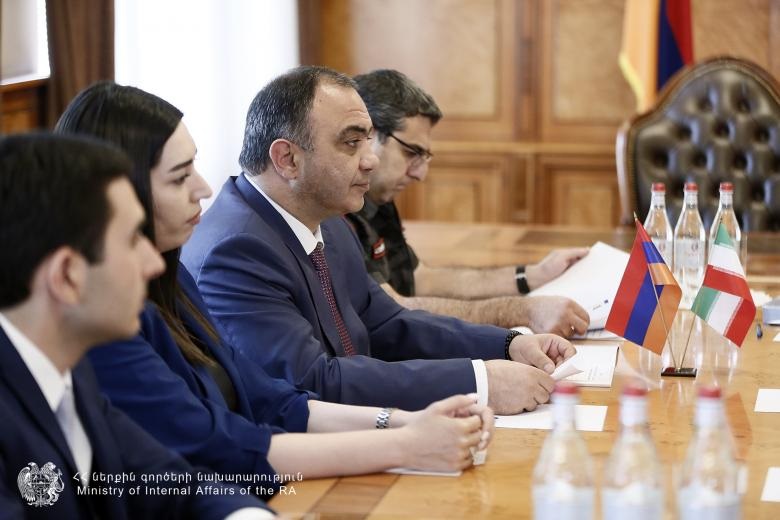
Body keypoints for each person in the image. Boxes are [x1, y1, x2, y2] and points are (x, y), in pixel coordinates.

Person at [55, 81, 493, 492]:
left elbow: (272, 399)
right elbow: (216, 445)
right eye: (179, 176)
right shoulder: (112, 317)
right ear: (121, 195)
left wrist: (404, 423)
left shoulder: (173, 278)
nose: (203, 188)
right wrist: (405, 444)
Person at [181, 66, 576, 415]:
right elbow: (313, 383)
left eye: (368, 141)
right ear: (287, 159)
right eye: (351, 143)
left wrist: (507, 344)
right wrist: (480, 382)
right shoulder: (235, 252)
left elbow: (387, 322)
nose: (370, 159)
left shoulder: (330, 221)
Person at [0, 134, 272, 518]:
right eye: (132, 240)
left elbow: (177, 487)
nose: (154, 263)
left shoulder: (71, 374)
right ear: (67, 275)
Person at [349, 69, 591, 338]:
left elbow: (421, 279)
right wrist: (522, 312)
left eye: (424, 157)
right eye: (411, 152)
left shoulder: (377, 198)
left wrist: (533, 274)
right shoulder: (338, 210)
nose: (420, 174)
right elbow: (392, 311)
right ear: (367, 136)